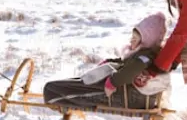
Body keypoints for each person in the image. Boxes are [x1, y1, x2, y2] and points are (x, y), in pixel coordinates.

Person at [42, 13, 172, 111]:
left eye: (135, 38)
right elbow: (129, 64)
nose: (131, 41)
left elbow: (134, 68)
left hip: (125, 97)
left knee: (51, 89)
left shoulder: (145, 57)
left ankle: (54, 96)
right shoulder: (145, 53)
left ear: (147, 40)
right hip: (127, 94)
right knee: (75, 84)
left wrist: (113, 82)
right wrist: (109, 62)